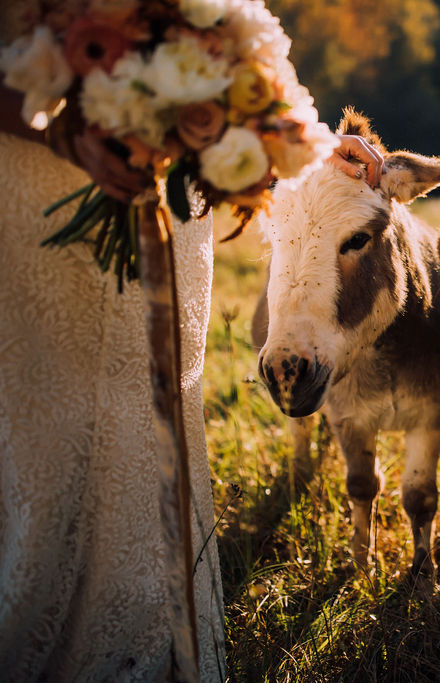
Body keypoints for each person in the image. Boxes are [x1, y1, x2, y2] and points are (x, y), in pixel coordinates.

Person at [0, 18, 380, 683]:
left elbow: (226, 27)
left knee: (149, 403)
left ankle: (152, 640)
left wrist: (293, 138)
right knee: (36, 418)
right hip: (27, 182)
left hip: (170, 196)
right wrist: (62, 127)